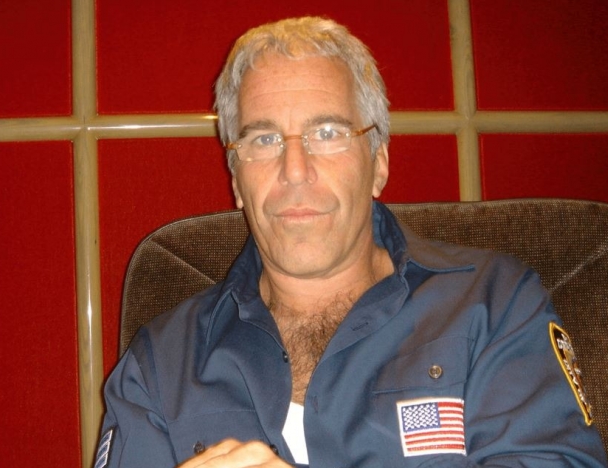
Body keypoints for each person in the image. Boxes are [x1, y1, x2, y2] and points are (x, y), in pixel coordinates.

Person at [94, 16, 608, 468]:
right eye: (264, 139)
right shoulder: (159, 365)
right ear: (236, 180)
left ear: (378, 162)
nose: (295, 170)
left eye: (327, 133)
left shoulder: (495, 305)